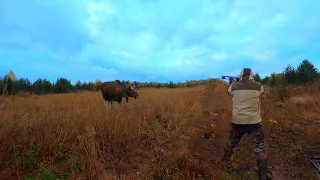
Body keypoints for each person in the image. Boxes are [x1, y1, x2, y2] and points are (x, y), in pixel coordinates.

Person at [222, 68, 273, 180]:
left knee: (231, 142)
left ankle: (224, 164)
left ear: (241, 75)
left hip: (237, 121)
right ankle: (263, 175)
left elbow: (229, 92)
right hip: (254, 122)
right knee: (260, 148)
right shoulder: (258, 85)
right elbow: (263, 91)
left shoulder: (234, 86)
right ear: (251, 75)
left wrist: (235, 82)